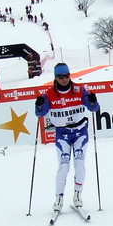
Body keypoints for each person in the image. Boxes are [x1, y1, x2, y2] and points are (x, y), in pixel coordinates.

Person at [34, 63, 100, 211]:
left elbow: (94, 108)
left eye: (66, 76)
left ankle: (77, 195)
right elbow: (40, 114)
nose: (64, 79)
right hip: (62, 134)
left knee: (79, 162)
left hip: (80, 132)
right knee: (64, 166)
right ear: (55, 78)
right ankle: (59, 198)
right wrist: (38, 106)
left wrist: (93, 102)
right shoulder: (49, 94)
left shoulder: (79, 90)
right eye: (60, 77)